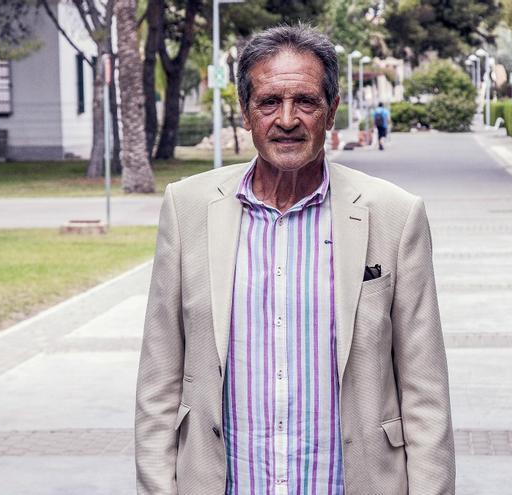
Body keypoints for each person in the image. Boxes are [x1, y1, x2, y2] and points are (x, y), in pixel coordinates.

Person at [135, 24, 454, 495]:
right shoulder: (187, 209)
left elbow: (426, 395)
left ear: (332, 111)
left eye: (306, 101)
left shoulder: (394, 214)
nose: (287, 119)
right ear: (245, 112)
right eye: (269, 102)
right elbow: (158, 384)